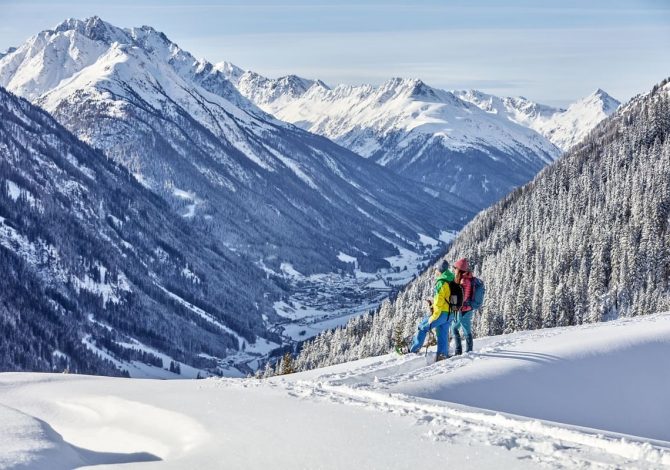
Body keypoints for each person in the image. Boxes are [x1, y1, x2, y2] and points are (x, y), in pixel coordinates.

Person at [407, 260, 454, 361]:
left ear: (439, 270)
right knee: (443, 334)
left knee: (423, 327)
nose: (435, 271)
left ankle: (413, 351)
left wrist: (433, 317)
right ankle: (442, 355)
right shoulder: (451, 280)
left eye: (436, 269)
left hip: (441, 314)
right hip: (450, 314)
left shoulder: (441, 282)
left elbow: (438, 302)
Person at [450, 258, 475, 354]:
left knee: (459, 329)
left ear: (459, 269)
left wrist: (454, 304)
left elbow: (462, 298)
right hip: (466, 309)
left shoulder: (463, 281)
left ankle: (464, 351)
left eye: (455, 268)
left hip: (463, 310)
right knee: (461, 329)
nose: (454, 269)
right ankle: (464, 350)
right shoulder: (466, 279)